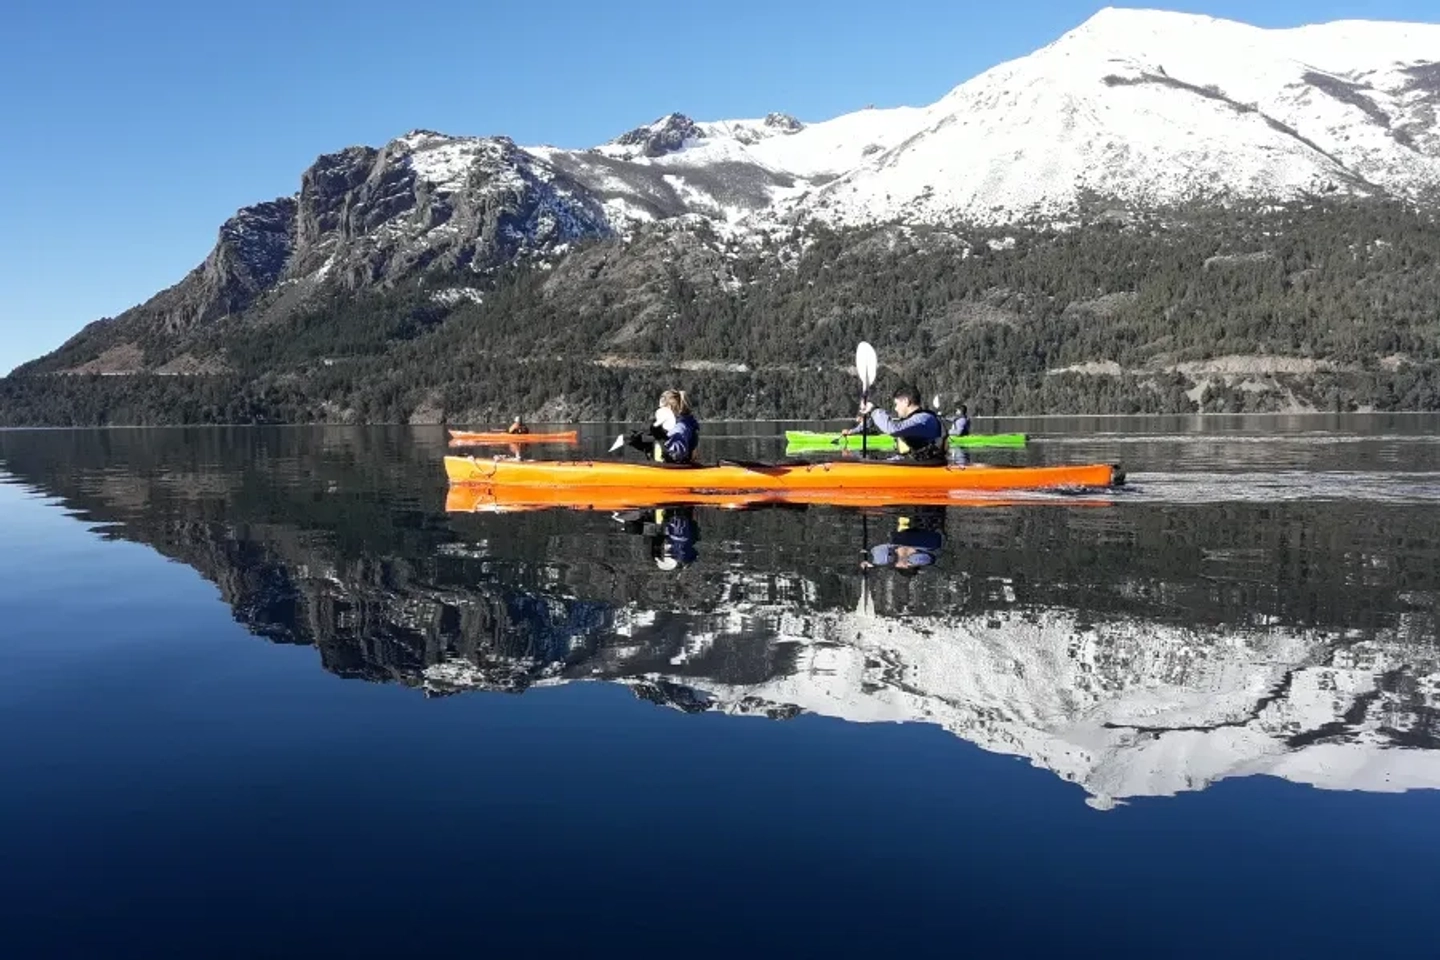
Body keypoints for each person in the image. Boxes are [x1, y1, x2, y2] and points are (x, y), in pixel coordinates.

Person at [848, 385, 947, 463]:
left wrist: (874, 410)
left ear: (906, 402)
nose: (895, 408)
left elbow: (893, 429)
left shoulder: (923, 419)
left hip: (926, 467)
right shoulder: (916, 418)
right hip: (917, 463)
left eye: (896, 404)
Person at [627, 389, 700, 464]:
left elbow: (676, 455)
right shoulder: (679, 425)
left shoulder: (679, 429)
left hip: (675, 472)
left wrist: (659, 441)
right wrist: (643, 444)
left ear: (669, 408)